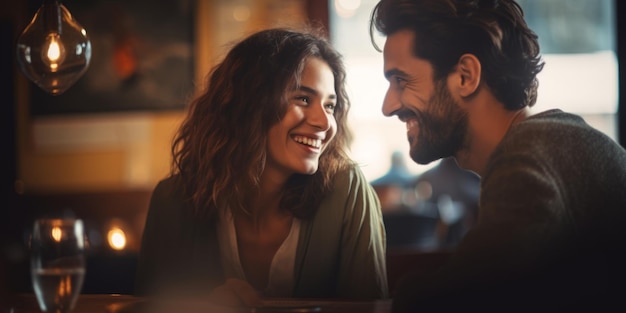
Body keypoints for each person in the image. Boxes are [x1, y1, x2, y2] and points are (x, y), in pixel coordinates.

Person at [369, 0, 626, 311]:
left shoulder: (532, 151)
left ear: (466, 76)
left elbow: (464, 297)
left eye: (401, 81)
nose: (388, 106)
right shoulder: (554, 142)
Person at [135, 27, 388, 309]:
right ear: (250, 104)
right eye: (303, 99)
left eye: (330, 106)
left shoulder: (348, 192)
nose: (325, 123)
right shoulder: (173, 201)